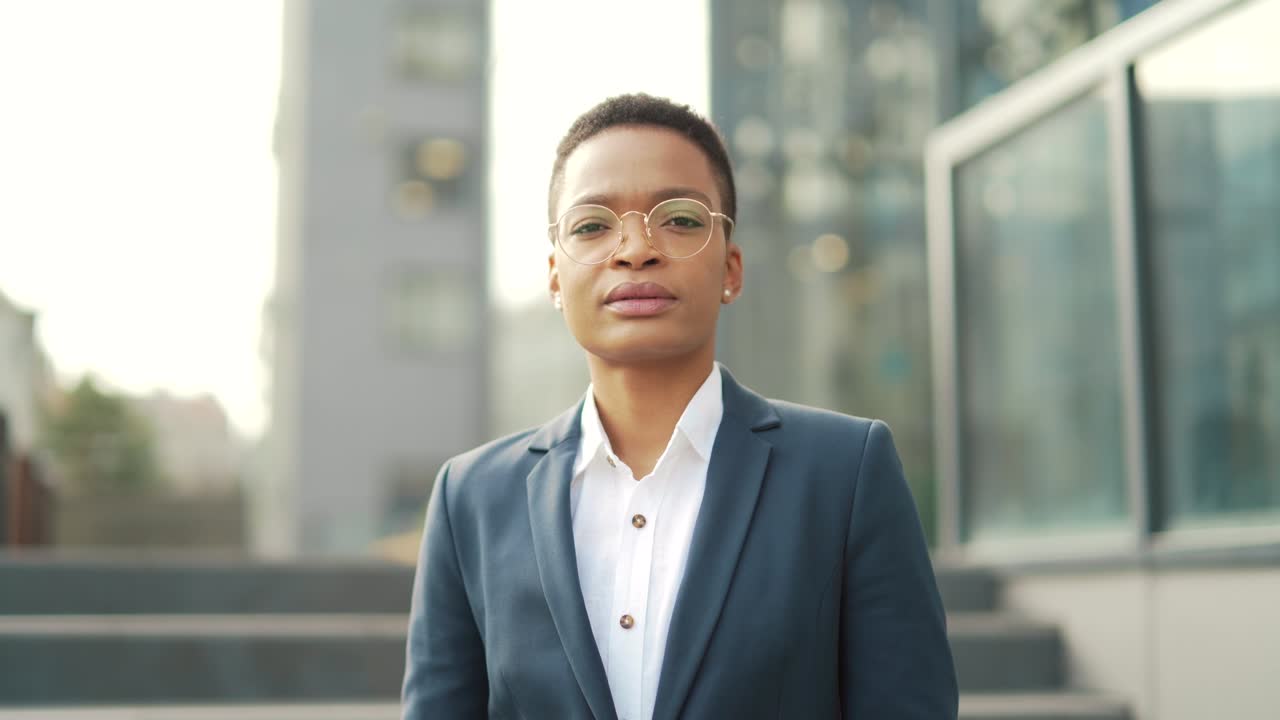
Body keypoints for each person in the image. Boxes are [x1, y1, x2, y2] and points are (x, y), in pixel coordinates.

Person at [401, 93, 957, 720]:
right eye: (592, 225)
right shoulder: (471, 497)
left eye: (681, 219)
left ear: (732, 267)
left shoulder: (846, 471)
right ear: (555, 276)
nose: (635, 249)